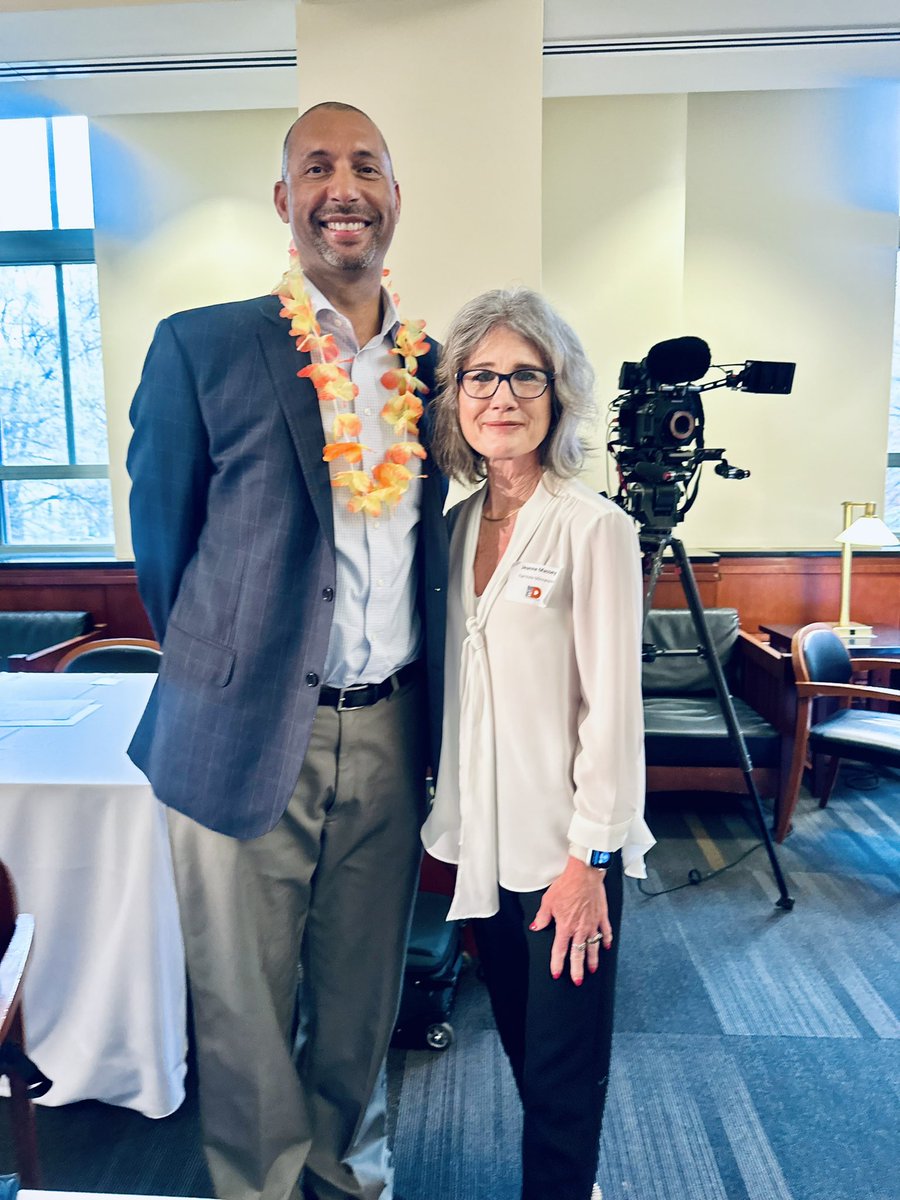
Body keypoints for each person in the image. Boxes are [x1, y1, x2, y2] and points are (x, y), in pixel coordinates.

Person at [127, 102, 447, 1200]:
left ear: (397, 197)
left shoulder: (436, 370)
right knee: (242, 998)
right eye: (318, 167)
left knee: (361, 989)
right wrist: (231, 672)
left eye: (367, 165)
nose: (343, 186)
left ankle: (347, 1169)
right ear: (284, 201)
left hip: (395, 724)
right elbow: (165, 550)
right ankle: (257, 1184)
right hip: (242, 723)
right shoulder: (202, 345)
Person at [421, 288, 655, 1200]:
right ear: (456, 398)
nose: (502, 395)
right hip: (483, 840)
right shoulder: (452, 528)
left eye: (526, 375)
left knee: (563, 1068)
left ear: (557, 396)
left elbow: (614, 711)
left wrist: (590, 858)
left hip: (565, 854)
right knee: (520, 1039)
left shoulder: (595, 526)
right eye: (481, 376)